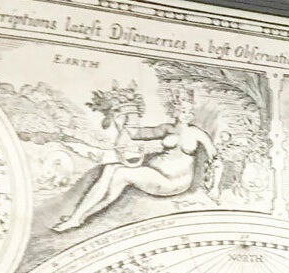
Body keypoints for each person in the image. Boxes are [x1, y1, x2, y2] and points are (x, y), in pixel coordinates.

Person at [55, 87, 219, 233]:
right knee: (112, 172)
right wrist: (122, 119)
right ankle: (80, 217)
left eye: (189, 112)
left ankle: (75, 218)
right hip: (156, 174)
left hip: (172, 182)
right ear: (174, 111)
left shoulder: (197, 133)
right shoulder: (166, 128)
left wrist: (214, 188)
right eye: (182, 110)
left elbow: (216, 160)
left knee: (117, 172)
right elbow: (136, 134)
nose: (186, 115)